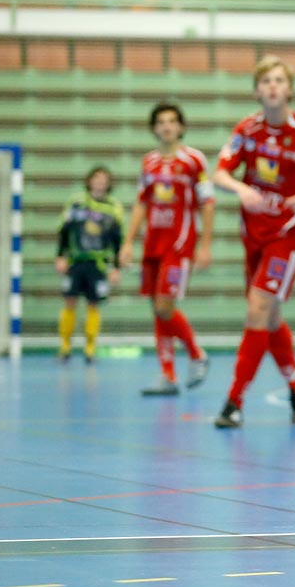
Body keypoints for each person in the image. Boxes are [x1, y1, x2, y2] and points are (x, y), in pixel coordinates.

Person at [211, 57, 295, 428]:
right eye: (265, 81)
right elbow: (220, 173)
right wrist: (241, 189)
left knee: (257, 308)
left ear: (289, 89)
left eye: (279, 80)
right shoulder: (247, 129)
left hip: (289, 233)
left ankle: (234, 401)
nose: (272, 86)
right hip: (253, 232)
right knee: (269, 316)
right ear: (257, 90)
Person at [118, 103, 216, 395]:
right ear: (154, 128)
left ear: (181, 127)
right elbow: (141, 203)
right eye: (161, 122)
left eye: (172, 121)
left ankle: (197, 354)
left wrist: (205, 245)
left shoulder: (194, 161)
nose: (167, 126)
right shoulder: (148, 162)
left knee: (164, 307)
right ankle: (168, 375)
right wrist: (128, 242)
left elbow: (207, 203)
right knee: (157, 310)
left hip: (179, 245)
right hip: (153, 245)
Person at [55, 167, 124, 364]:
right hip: (76, 261)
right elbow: (64, 230)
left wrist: (116, 267)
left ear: (109, 183)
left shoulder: (113, 208)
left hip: (98, 264)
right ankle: (65, 346)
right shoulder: (77, 203)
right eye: (97, 178)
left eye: (104, 179)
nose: (100, 182)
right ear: (89, 180)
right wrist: (60, 256)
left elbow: (118, 240)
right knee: (70, 301)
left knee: (94, 304)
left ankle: (90, 347)